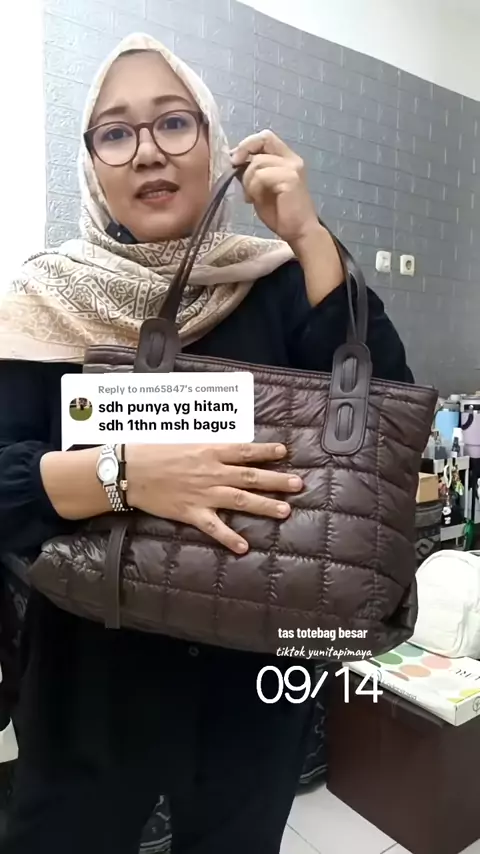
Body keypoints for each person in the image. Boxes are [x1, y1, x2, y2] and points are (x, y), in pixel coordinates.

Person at [0, 33, 413, 854]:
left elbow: (382, 421)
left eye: (173, 122)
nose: (148, 151)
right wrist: (126, 474)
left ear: (214, 141)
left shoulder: (280, 282)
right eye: (116, 132)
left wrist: (308, 235)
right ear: (92, 161)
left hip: (255, 678)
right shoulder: (46, 301)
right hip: (90, 679)